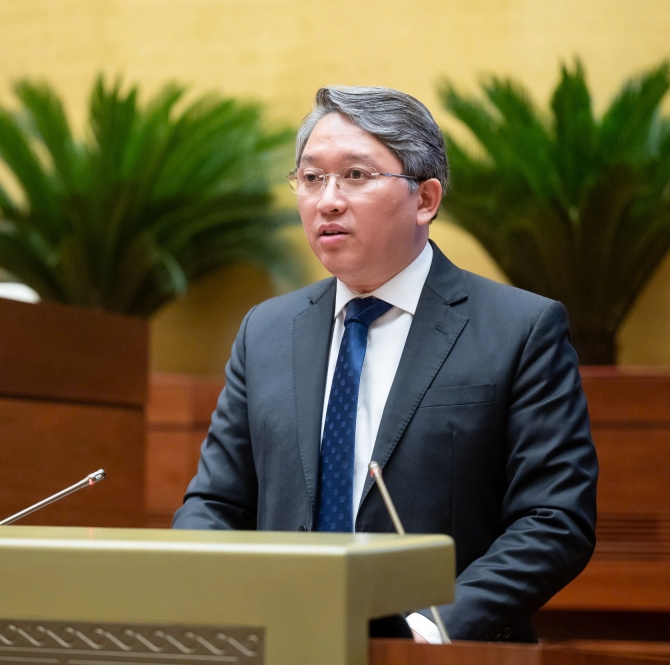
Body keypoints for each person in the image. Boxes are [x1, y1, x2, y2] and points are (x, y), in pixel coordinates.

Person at [172, 86, 598, 643]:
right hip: (283, 641)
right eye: (311, 177)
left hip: (443, 651)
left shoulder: (520, 329)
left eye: (355, 175)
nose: (327, 200)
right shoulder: (267, 331)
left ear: (426, 199)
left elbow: (554, 519)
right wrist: (215, 602)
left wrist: (430, 630)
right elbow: (215, 502)